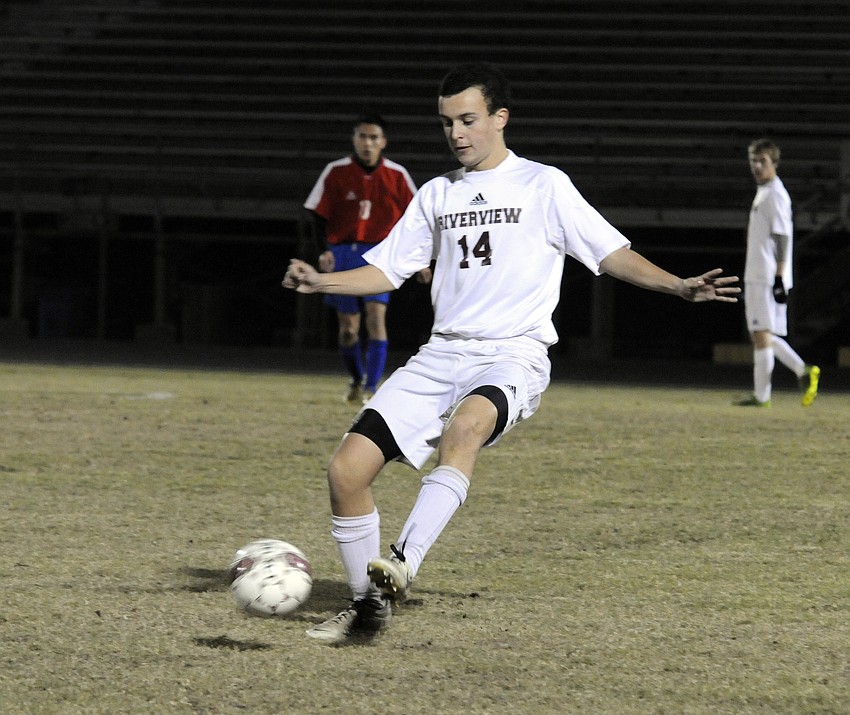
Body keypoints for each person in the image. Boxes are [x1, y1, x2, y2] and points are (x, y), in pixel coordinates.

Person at [283, 63, 741, 645]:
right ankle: (365, 609)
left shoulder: (543, 185)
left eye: (468, 120)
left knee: (465, 430)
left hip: (512, 356)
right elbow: (384, 269)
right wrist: (322, 282)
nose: (457, 134)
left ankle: (403, 559)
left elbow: (609, 253)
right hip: (440, 354)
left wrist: (677, 285)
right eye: (447, 122)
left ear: (500, 118)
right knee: (346, 470)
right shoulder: (435, 194)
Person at [303, 112, 420, 403]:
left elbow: (417, 218)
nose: (367, 143)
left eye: (373, 137)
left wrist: (417, 259)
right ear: (354, 139)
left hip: (378, 253)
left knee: (376, 318)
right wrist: (324, 251)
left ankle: (371, 388)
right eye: (362, 137)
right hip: (343, 252)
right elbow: (316, 213)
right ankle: (356, 380)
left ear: (383, 142)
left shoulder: (397, 175)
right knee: (348, 330)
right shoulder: (336, 171)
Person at [735, 138, 819, 408]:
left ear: (774, 163)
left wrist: (780, 276)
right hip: (759, 273)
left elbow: (782, 237)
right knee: (762, 333)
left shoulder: (775, 194)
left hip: (766, 275)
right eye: (753, 161)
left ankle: (767, 393)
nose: (757, 166)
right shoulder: (765, 191)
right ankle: (798, 373)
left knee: (760, 333)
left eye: (763, 161)